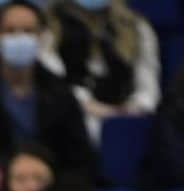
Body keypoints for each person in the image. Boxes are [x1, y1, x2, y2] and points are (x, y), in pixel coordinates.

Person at [0, 1, 95, 178]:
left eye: (28, 31)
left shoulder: (60, 92)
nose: (19, 38)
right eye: (10, 31)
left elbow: (79, 158)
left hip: (47, 186)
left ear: (40, 37)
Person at [47, 0, 160, 145]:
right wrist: (88, 105)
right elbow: (51, 80)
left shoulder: (137, 27)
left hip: (127, 119)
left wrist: (130, 110)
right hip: (75, 118)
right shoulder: (52, 27)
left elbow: (148, 86)